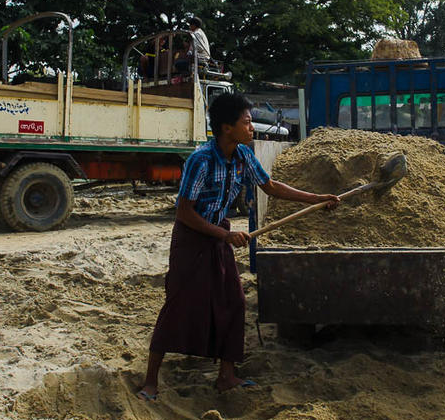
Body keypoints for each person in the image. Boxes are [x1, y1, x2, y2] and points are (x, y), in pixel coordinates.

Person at [138, 93, 339, 399]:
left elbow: (270, 186)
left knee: (234, 302)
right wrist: (224, 236)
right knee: (178, 305)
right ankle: (151, 381)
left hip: (218, 236)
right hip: (192, 239)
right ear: (226, 127)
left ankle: (226, 376)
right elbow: (184, 212)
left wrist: (317, 199)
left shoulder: (244, 156)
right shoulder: (200, 160)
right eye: (246, 122)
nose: (252, 128)